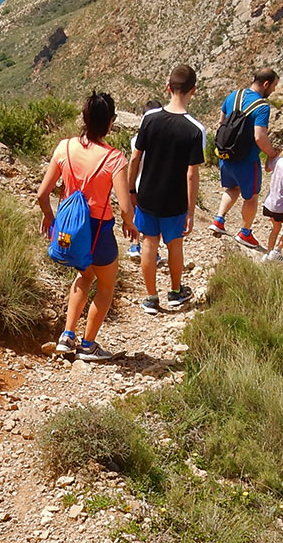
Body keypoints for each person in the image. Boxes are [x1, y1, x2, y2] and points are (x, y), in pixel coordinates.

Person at [37, 92, 135, 361]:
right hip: (98, 232)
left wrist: (49, 217)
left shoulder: (64, 147)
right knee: (105, 285)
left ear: (84, 118)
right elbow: (125, 207)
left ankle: (67, 336)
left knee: (84, 275)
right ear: (111, 122)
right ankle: (88, 345)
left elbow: (42, 194)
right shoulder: (114, 158)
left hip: (70, 229)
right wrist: (131, 225)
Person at [127, 64, 206, 315]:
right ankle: (175, 292)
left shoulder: (149, 119)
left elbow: (135, 158)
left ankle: (151, 297)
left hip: (147, 194)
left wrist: (131, 190)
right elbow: (191, 173)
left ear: (167, 87)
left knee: (149, 243)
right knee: (175, 244)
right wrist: (191, 210)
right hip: (175, 199)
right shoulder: (195, 129)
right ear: (193, 91)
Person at [212, 67, 279, 251]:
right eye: (273, 86)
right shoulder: (262, 107)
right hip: (247, 160)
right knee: (251, 197)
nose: (273, 90)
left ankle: (219, 220)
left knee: (232, 188)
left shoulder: (234, 95)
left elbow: (221, 122)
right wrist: (272, 153)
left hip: (226, 155)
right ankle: (245, 232)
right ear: (266, 84)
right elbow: (259, 136)